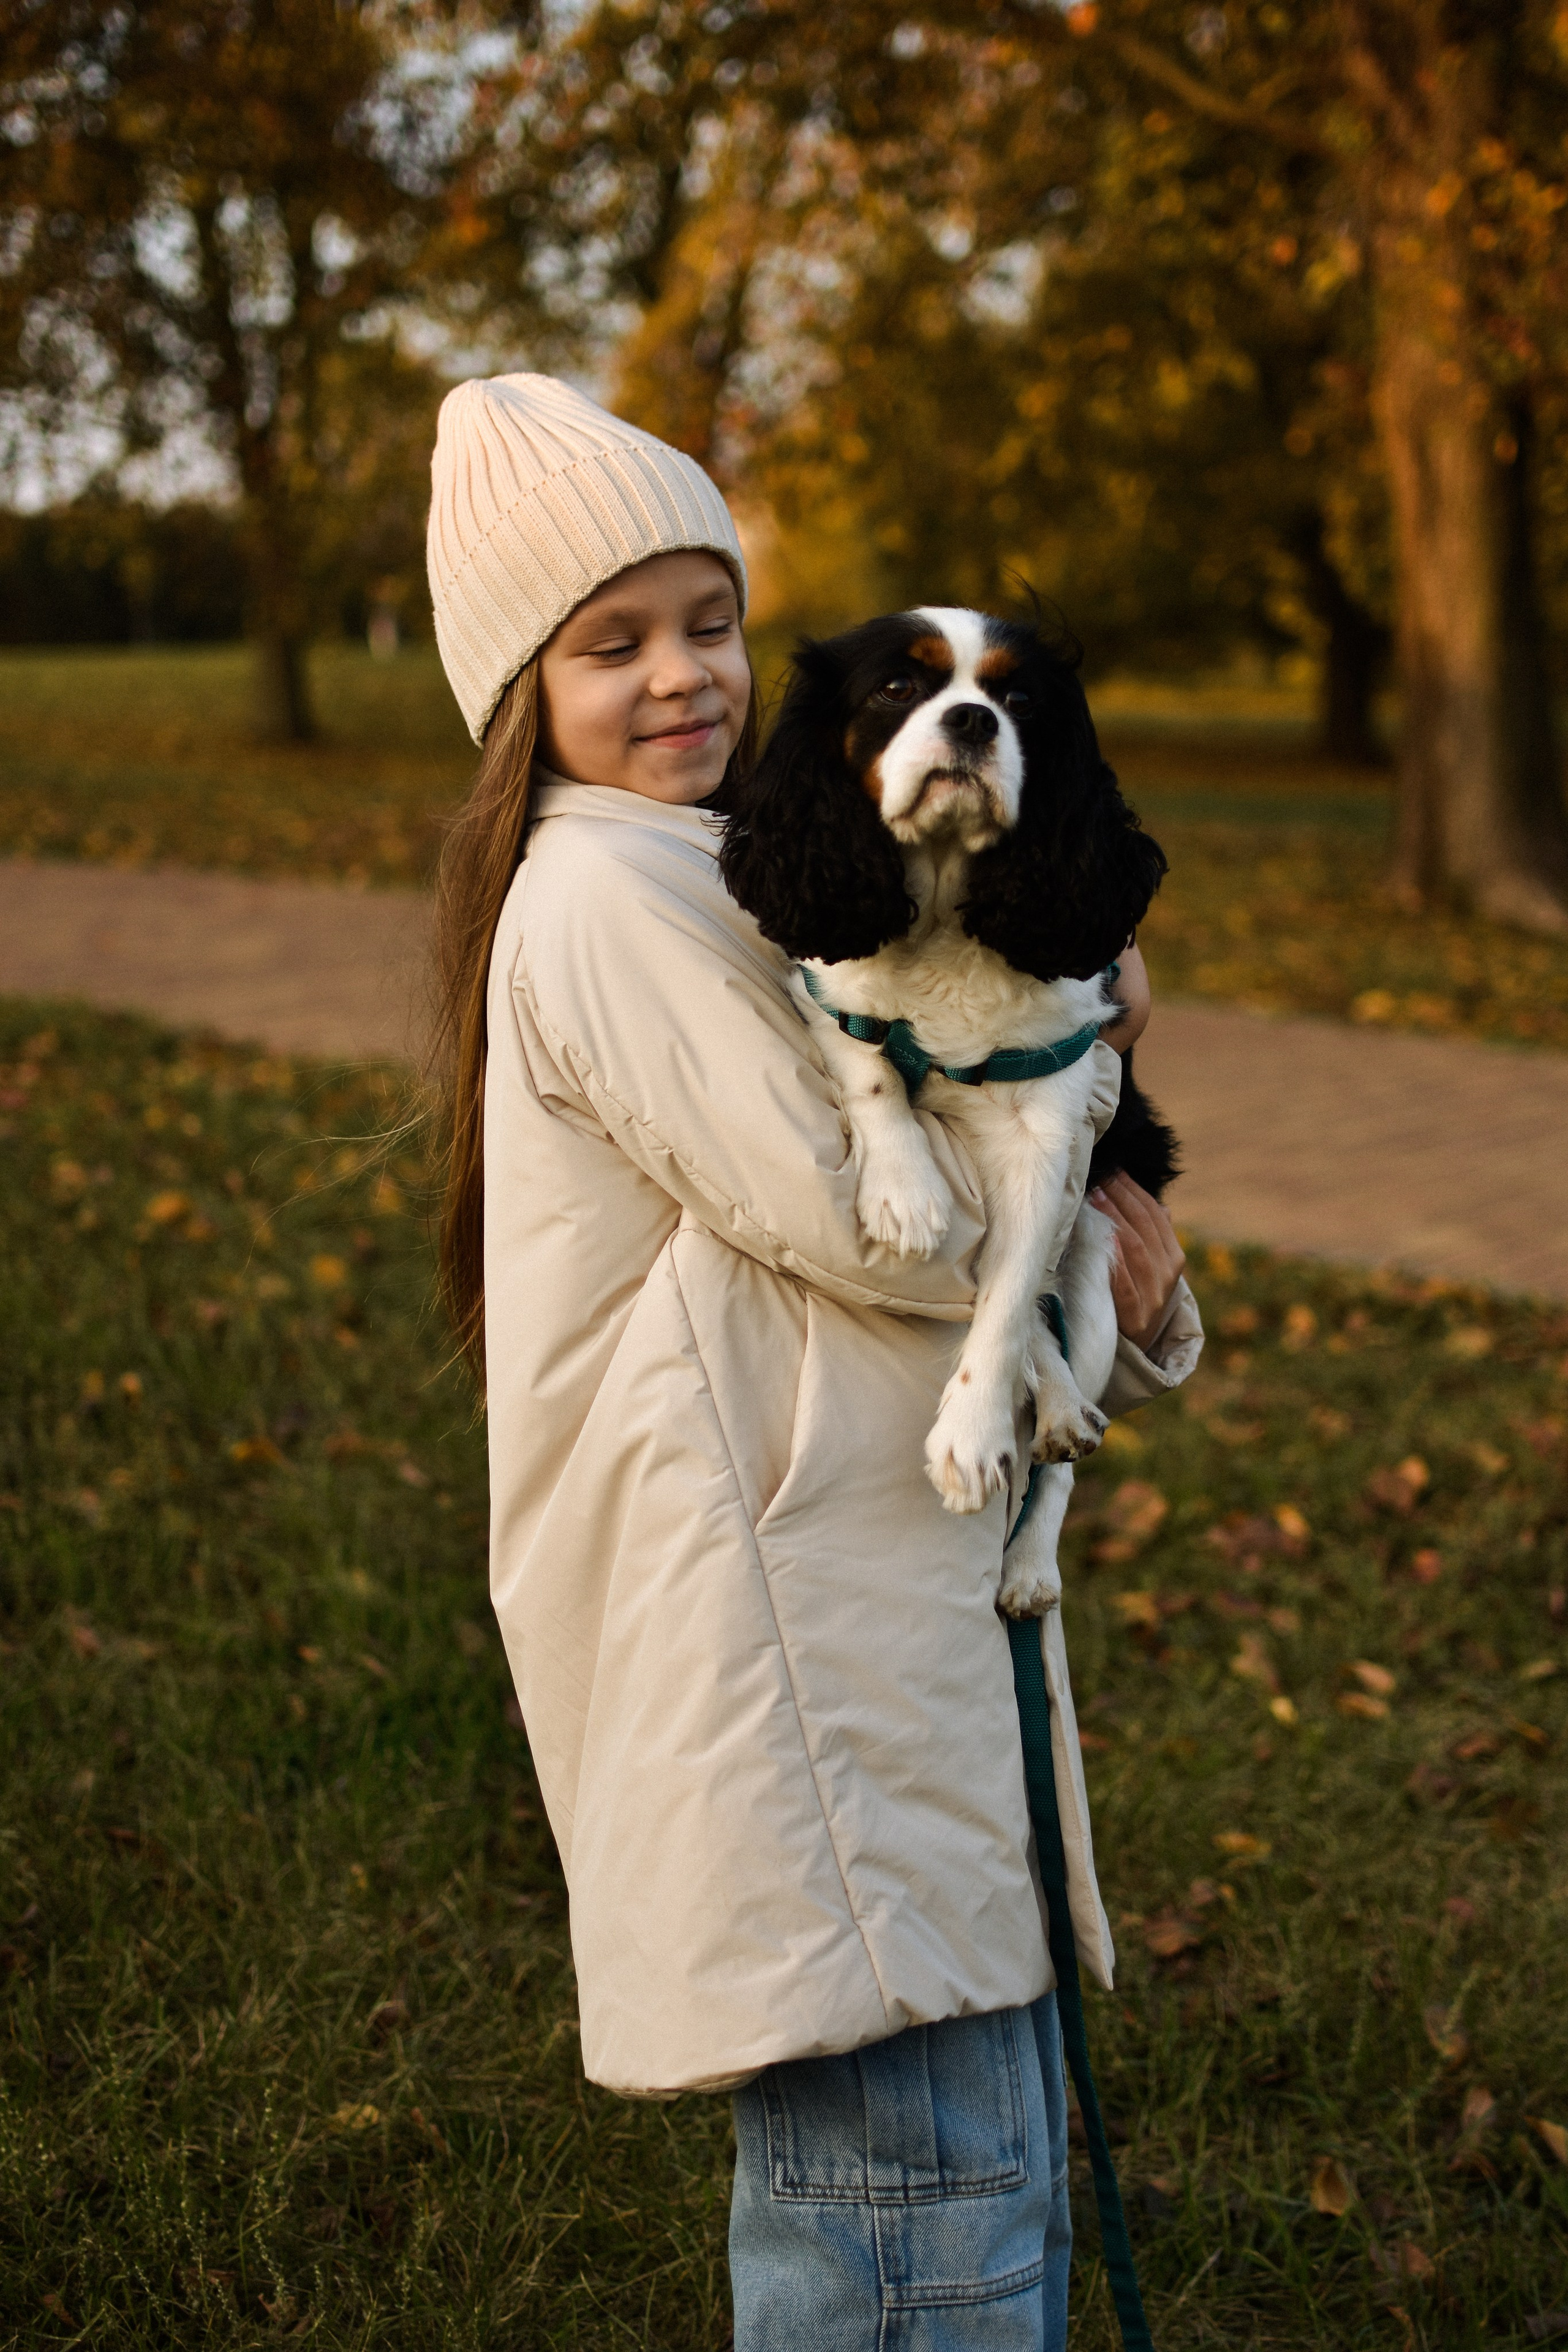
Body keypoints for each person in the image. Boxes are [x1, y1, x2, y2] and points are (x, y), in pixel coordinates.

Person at [424, 372, 1203, 2350]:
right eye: (610, 645)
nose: (680, 676)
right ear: (521, 687)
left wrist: (1119, 1218)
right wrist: (1097, 1124)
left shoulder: (716, 864)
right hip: (787, 1643)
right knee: (906, 2221)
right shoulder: (607, 900)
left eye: (710, 622)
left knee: (980, 2183)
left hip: (877, 1595)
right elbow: (886, 1220)